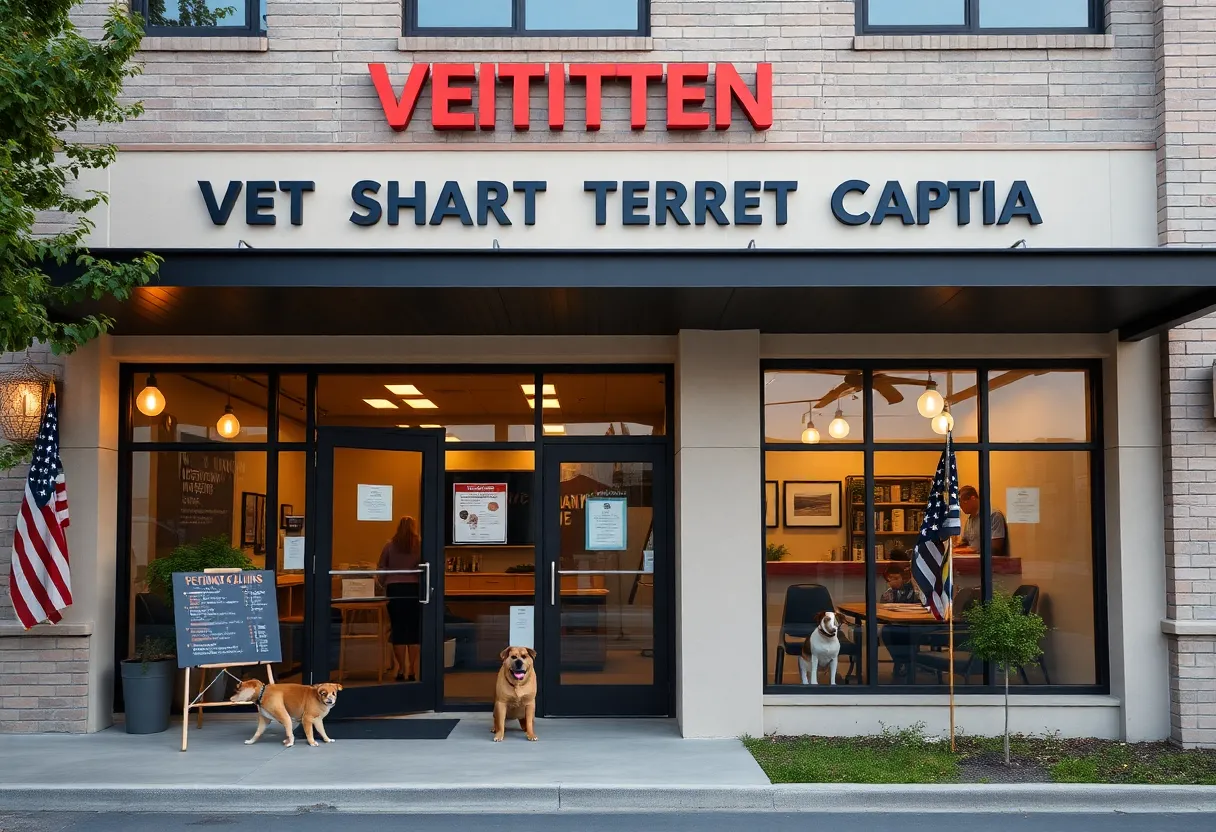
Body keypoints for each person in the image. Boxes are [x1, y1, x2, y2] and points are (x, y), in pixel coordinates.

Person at [379, 516, 422, 682]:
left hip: (395, 588)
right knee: (413, 630)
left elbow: (382, 566)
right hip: (414, 589)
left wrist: (384, 583)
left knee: (398, 629)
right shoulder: (419, 545)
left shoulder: (389, 545)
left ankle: (401, 669)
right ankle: (412, 669)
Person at [955, 485, 1008, 556]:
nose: (961, 507)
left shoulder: (993, 515)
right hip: (971, 561)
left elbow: (995, 547)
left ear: (973, 498)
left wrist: (972, 550)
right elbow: (965, 542)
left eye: (962, 503)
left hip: (988, 563)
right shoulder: (970, 520)